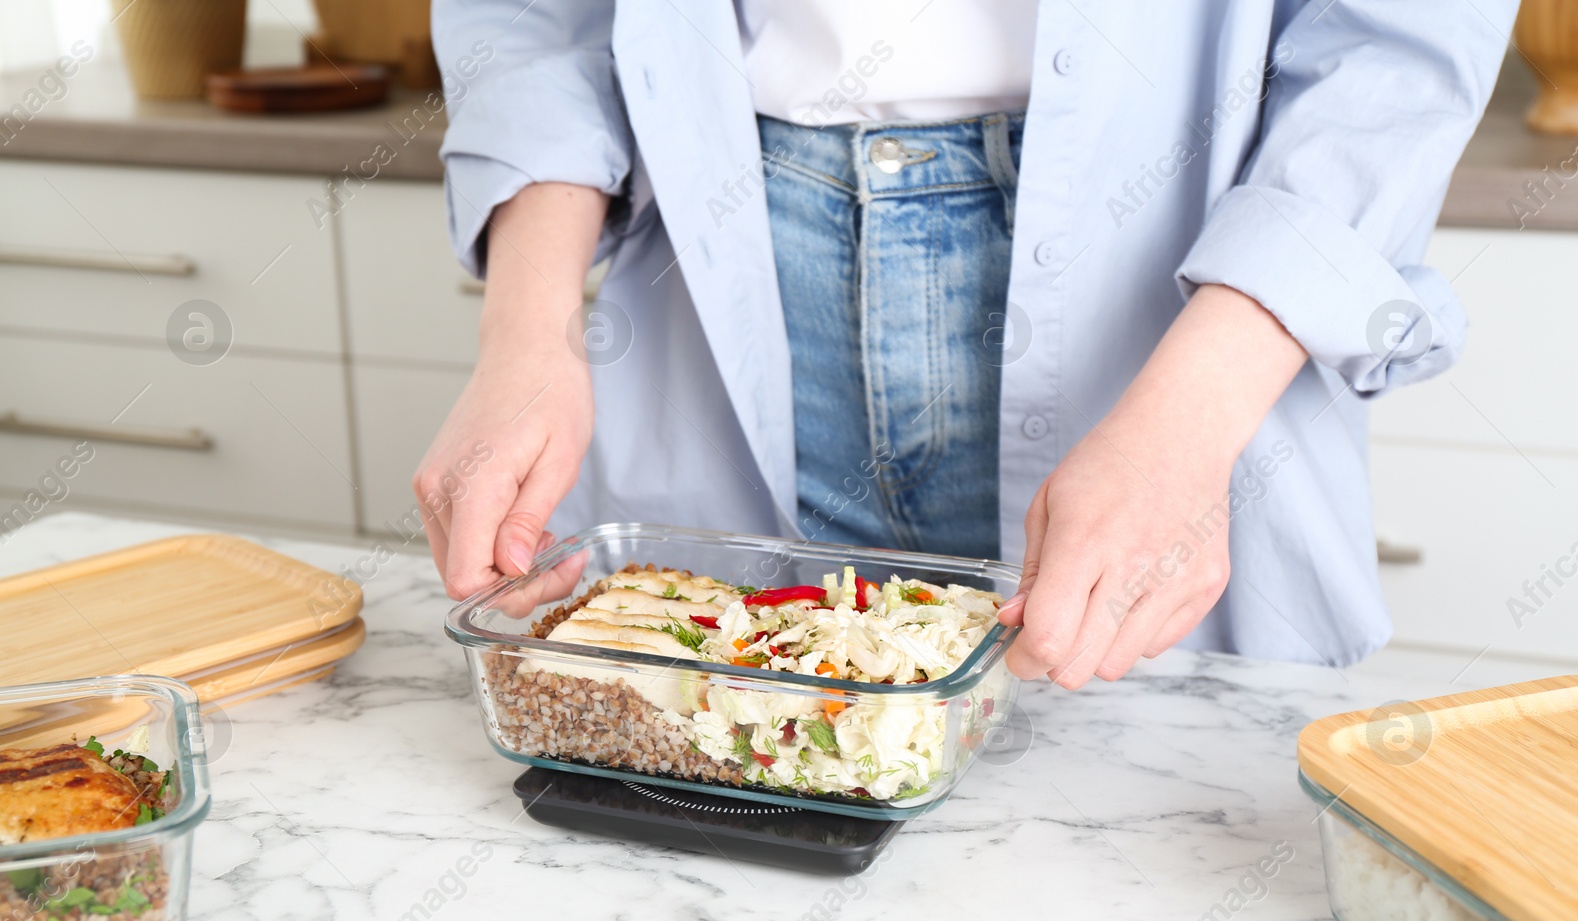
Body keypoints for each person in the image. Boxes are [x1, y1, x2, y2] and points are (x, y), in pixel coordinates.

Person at [416, 1, 1515, 688]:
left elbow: (1397, 49)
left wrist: (1193, 416)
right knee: (714, 855)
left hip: (1159, 320)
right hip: (717, 296)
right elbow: (530, 19)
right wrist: (528, 330)